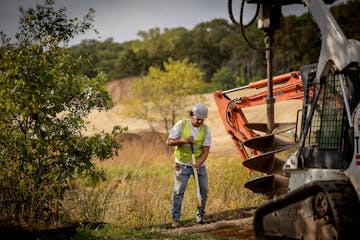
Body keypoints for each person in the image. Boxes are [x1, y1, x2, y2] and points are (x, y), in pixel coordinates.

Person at [167, 102, 211, 228]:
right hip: (182, 164)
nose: (200, 122)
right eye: (198, 119)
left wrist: (199, 163)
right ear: (192, 115)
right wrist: (183, 140)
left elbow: (206, 150)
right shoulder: (181, 125)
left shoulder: (206, 130)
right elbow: (169, 141)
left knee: (204, 190)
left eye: (202, 120)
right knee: (178, 191)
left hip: (199, 164)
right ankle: (175, 220)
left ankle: (200, 218)